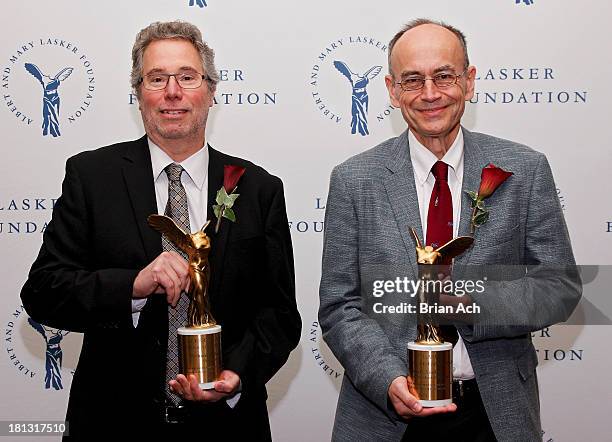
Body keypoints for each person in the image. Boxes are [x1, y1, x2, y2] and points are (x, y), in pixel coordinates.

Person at [21, 21, 301, 440]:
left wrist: (236, 376)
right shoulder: (91, 177)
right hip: (113, 422)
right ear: (138, 93)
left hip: (228, 427)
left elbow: (279, 316)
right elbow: (43, 291)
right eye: (156, 79)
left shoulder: (257, 188)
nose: (172, 92)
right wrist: (132, 284)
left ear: (211, 91)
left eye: (187, 77)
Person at [318, 19, 581, 442]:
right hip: (384, 417)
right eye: (412, 80)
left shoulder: (524, 169)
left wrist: (471, 301)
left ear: (469, 80)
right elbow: (339, 306)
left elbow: (559, 285)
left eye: (444, 76)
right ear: (391, 90)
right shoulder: (354, 179)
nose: (430, 94)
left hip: (494, 414)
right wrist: (387, 380)